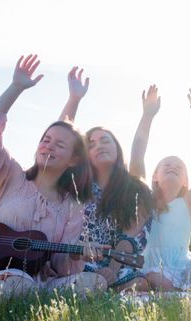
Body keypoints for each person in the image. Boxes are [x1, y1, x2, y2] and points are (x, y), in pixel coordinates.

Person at [0, 55, 106, 295]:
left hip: (44, 284)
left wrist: (75, 254)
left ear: (73, 160)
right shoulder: (10, 175)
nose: (49, 146)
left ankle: (29, 297)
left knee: (94, 283)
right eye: (45, 140)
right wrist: (16, 87)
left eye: (59, 146)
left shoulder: (72, 207)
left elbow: (63, 269)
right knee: (15, 284)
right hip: (1, 276)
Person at [59, 67, 154, 292]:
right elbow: (61, 137)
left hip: (119, 263)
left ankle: (104, 286)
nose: (99, 145)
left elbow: (128, 238)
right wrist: (74, 99)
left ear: (116, 148)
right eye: (90, 143)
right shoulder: (77, 185)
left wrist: (111, 269)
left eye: (105, 140)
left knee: (139, 283)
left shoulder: (133, 189)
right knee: (85, 280)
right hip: (80, 263)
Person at [130, 83, 191, 291]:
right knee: (153, 277)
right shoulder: (144, 201)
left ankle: (179, 290)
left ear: (185, 181)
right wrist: (148, 115)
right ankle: (178, 292)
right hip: (150, 269)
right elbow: (136, 160)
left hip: (181, 265)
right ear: (155, 176)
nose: (173, 167)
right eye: (166, 165)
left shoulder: (189, 204)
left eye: (179, 166)